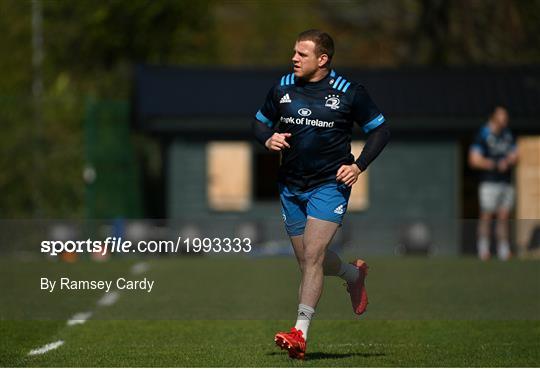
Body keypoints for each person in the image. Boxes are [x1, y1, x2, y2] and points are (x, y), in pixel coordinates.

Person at [252, 29, 390, 359]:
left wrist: (358, 165)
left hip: (330, 185)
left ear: (322, 59)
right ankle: (353, 275)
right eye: (294, 53)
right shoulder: (282, 88)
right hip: (291, 187)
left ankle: (299, 333)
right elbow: (258, 124)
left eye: (302, 54)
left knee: (313, 257)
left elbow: (381, 130)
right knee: (307, 262)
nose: (294, 58)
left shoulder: (349, 92)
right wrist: (267, 138)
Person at [469, 106, 518, 261]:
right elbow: (474, 159)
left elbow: (515, 154)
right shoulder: (483, 134)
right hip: (489, 182)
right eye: (502, 115)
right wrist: (495, 164)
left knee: (504, 216)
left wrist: (510, 160)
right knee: (487, 215)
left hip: (506, 182)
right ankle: (483, 249)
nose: (505, 118)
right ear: (494, 116)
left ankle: (504, 250)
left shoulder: (508, 134)